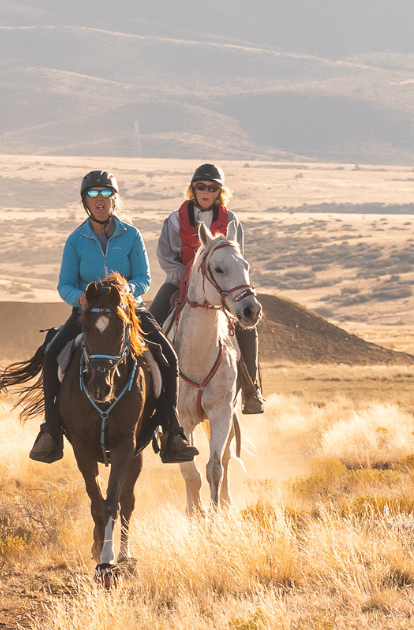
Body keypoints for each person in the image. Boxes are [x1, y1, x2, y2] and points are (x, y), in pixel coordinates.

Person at [28, 170, 199, 465]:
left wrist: (126, 290)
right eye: (93, 194)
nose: (100, 199)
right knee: (51, 352)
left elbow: (144, 278)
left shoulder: (131, 236)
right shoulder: (75, 241)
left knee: (169, 357)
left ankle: (172, 431)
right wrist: (79, 297)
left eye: (106, 194)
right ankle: (51, 430)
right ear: (85, 201)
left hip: (130, 311)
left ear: (114, 200)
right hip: (88, 313)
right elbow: (64, 285)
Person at [148, 163, 264, 414]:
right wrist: (188, 276)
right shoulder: (175, 219)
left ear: (219, 192)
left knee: (246, 326)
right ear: (193, 189)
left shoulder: (231, 221)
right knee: (149, 325)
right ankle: (146, 390)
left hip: (219, 287)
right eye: (201, 186)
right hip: (179, 282)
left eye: (212, 188)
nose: (206, 191)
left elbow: (235, 257)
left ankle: (251, 389)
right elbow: (165, 256)